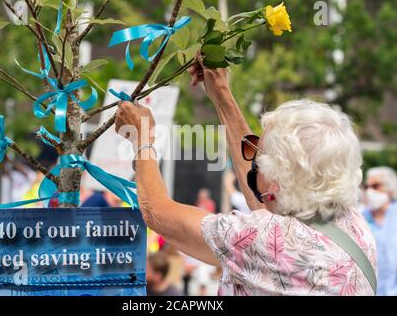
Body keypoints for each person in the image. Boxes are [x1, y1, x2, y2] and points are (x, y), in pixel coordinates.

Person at [115, 54, 377, 295]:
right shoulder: (355, 227)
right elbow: (266, 204)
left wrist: (142, 139)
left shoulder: (260, 239)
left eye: (260, 157)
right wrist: (221, 95)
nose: (253, 161)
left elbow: (159, 214)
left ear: (277, 178)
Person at [362, 167, 397, 296]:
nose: (370, 191)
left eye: (376, 186)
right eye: (367, 187)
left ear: (390, 188)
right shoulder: (360, 217)